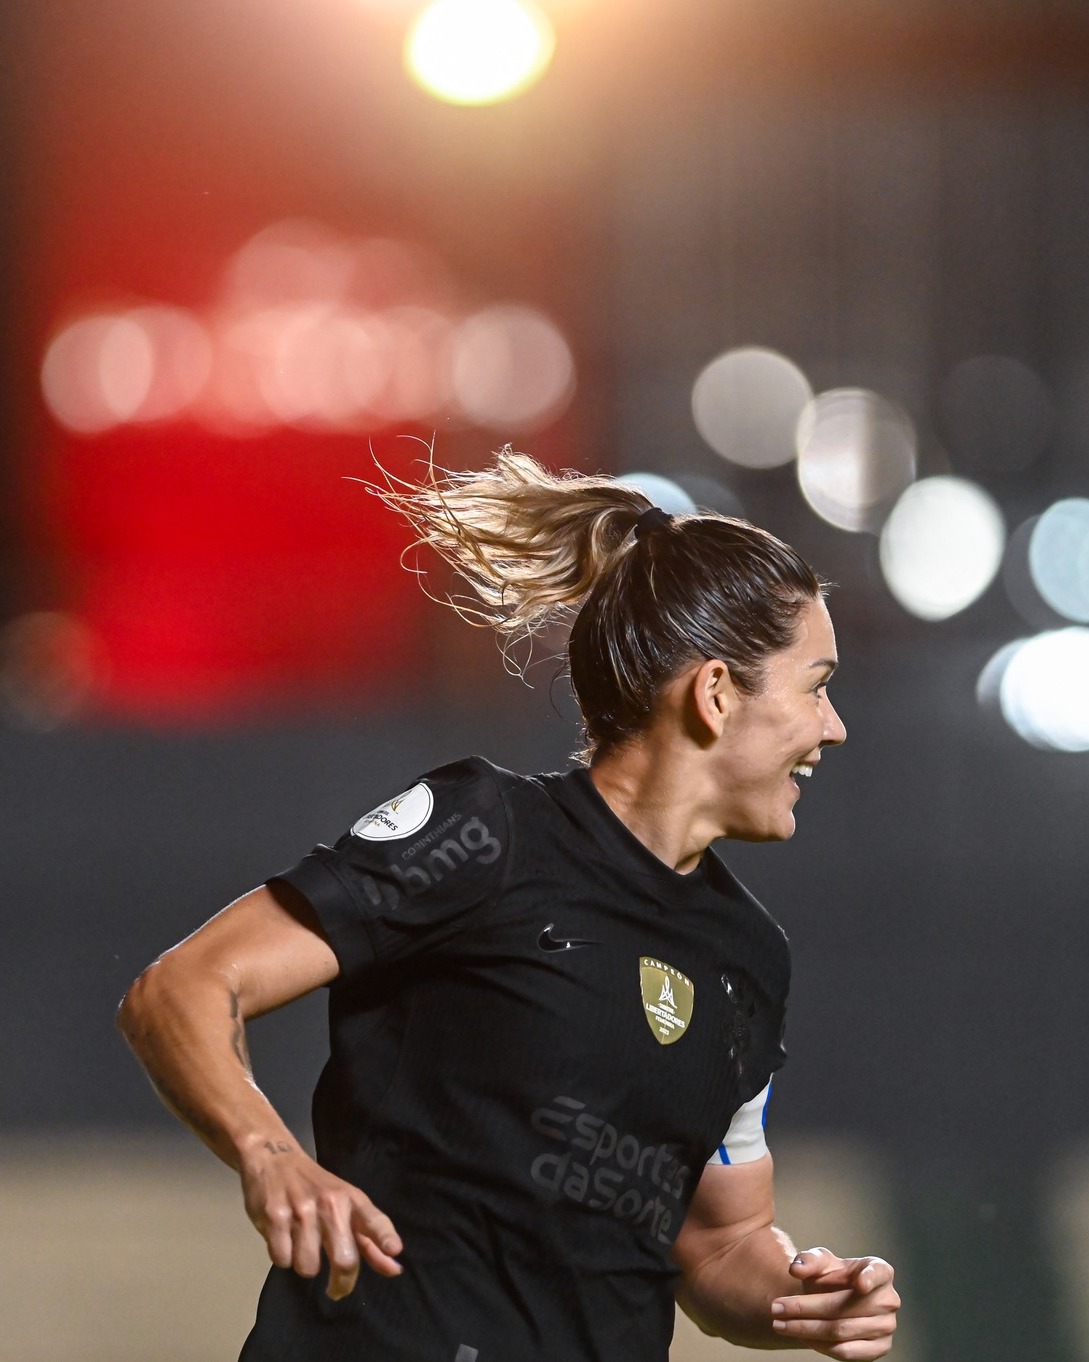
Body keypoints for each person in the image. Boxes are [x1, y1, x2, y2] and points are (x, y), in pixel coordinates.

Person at [118, 448, 900, 1362]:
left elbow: (718, 1242)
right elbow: (181, 989)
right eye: (817, 686)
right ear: (717, 694)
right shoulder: (486, 834)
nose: (833, 727)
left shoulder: (747, 959)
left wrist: (803, 1298)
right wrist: (271, 1156)